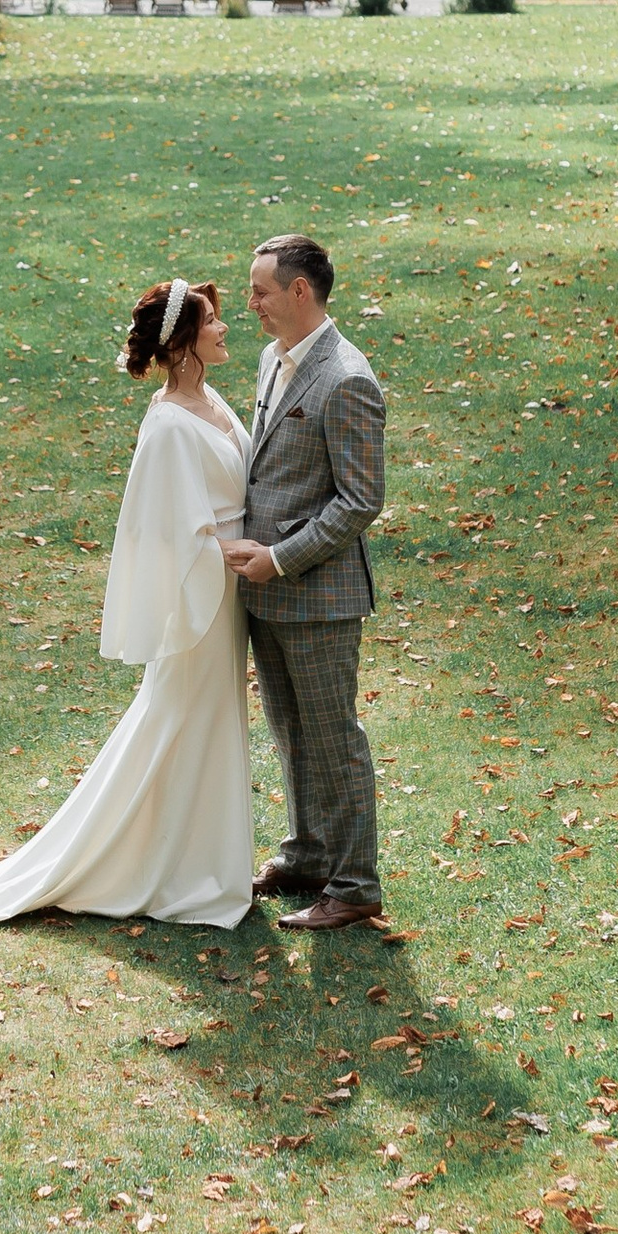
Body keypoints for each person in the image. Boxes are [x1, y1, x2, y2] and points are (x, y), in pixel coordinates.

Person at [0, 278, 255, 932]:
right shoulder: (167, 424)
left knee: (209, 720)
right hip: (203, 593)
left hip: (232, 588)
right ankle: (161, 869)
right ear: (184, 340)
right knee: (181, 717)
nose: (224, 327)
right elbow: (161, 529)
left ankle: (200, 862)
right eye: (211, 320)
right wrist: (228, 552)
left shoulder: (211, 399)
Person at [218, 233, 387, 930]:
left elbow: (360, 500)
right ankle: (307, 854)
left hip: (318, 596)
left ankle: (355, 886)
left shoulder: (347, 379)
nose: (250, 304)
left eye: (259, 291)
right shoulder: (273, 358)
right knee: (291, 733)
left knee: (332, 741)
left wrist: (281, 558)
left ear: (298, 290)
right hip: (268, 594)